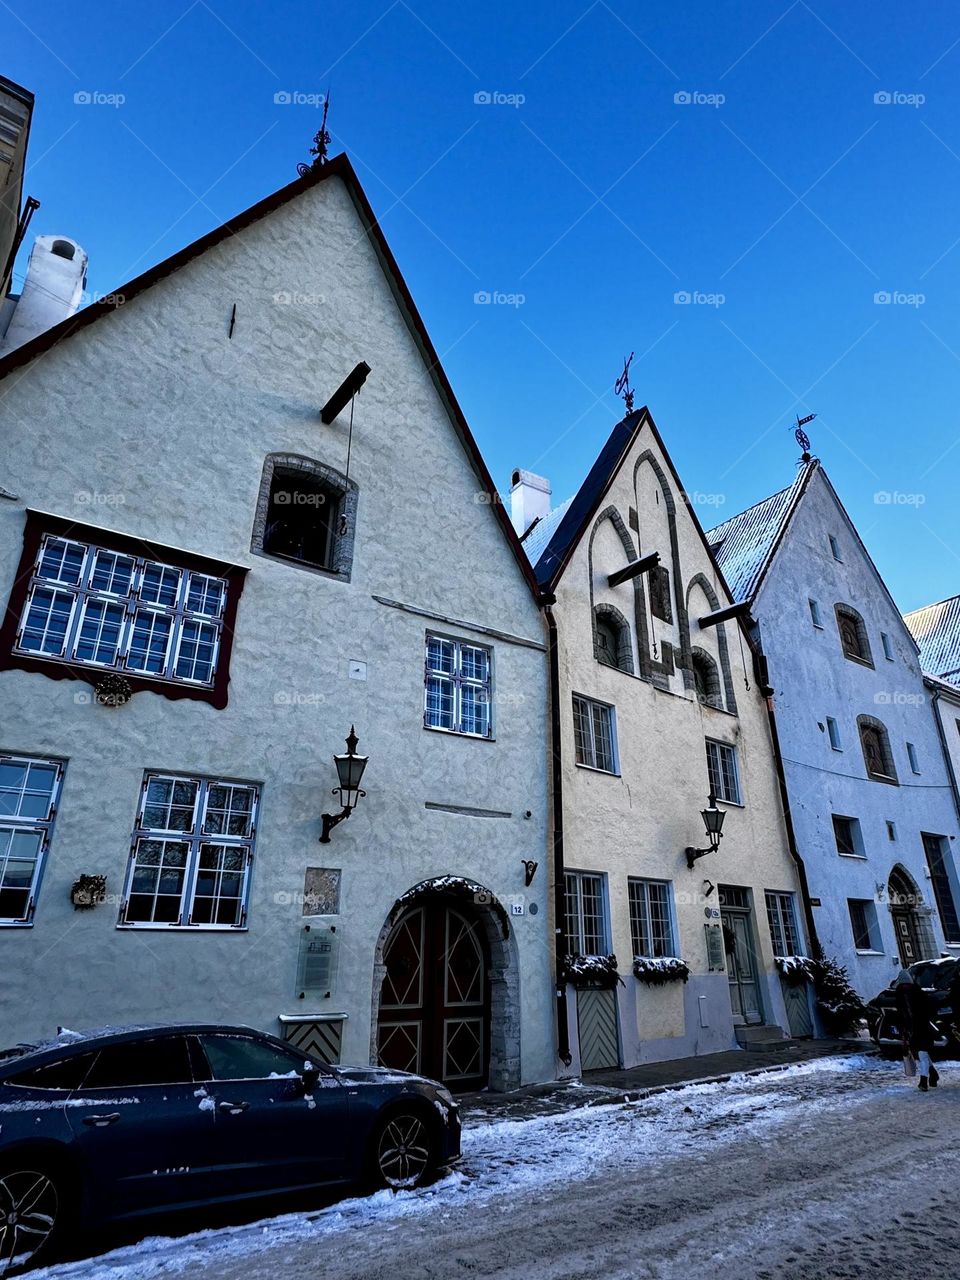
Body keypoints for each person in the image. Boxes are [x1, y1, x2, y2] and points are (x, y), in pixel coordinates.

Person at [896, 968, 940, 1092]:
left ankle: (924, 1081)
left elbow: (926, 1012)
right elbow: (901, 1014)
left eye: (906, 984)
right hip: (912, 1029)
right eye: (903, 985)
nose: (905, 986)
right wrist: (903, 1030)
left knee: (922, 1053)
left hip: (922, 1028)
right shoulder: (901, 996)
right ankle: (933, 1073)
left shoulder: (917, 995)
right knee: (922, 1054)